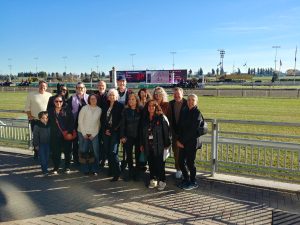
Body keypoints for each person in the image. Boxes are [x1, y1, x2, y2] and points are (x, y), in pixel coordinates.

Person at [140, 100, 171, 191]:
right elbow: (142, 132)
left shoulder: (161, 117)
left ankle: (162, 180)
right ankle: (153, 179)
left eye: (153, 106)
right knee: (151, 163)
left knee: (160, 164)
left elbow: (166, 132)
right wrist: (142, 144)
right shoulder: (145, 118)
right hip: (148, 145)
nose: (151, 108)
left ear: (156, 107)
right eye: (149, 106)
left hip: (159, 146)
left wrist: (167, 144)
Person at [177, 94, 203, 190]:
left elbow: (193, 130)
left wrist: (181, 141)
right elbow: (180, 126)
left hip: (192, 143)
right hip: (182, 142)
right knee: (180, 162)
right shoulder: (184, 110)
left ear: (196, 102)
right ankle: (186, 179)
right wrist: (178, 140)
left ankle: (193, 181)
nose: (190, 101)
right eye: (188, 100)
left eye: (193, 100)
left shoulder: (197, 113)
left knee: (190, 163)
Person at [25, 80, 52, 159]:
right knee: (36, 137)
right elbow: (27, 107)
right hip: (36, 120)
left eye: (44, 86)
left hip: (47, 121)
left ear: (46, 87)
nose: (42, 87)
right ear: (38, 86)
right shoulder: (31, 94)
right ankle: (36, 153)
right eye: (41, 85)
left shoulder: (49, 95)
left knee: (47, 137)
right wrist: (30, 116)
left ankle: (46, 153)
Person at [101, 89, 124, 181]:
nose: (111, 97)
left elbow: (121, 120)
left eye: (113, 95)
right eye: (110, 95)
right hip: (106, 131)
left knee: (113, 152)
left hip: (115, 132)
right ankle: (110, 169)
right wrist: (105, 130)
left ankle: (117, 172)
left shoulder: (120, 106)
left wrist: (113, 129)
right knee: (108, 151)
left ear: (116, 96)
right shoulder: (105, 105)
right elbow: (102, 119)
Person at [48, 95, 75, 174]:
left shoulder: (67, 110)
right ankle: (56, 167)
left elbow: (71, 122)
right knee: (56, 152)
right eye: (56, 101)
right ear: (53, 102)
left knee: (67, 152)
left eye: (60, 101)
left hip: (66, 135)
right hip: (55, 136)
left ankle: (67, 167)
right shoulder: (50, 111)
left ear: (63, 102)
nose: (58, 103)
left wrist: (69, 132)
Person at [78, 94, 102, 175]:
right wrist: (84, 134)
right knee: (84, 151)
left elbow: (98, 124)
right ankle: (85, 169)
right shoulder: (84, 108)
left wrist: (94, 134)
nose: (93, 100)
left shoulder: (99, 110)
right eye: (91, 99)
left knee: (95, 152)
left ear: (97, 100)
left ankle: (95, 169)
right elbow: (80, 121)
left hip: (94, 134)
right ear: (89, 100)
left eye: (94, 99)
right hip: (82, 133)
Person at [120, 93, 142, 181]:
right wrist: (122, 136)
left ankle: (137, 174)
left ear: (137, 100)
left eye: (133, 99)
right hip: (128, 137)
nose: (131, 101)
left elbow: (143, 125)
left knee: (138, 156)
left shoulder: (141, 110)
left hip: (138, 137)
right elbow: (123, 125)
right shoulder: (125, 111)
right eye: (129, 99)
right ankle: (130, 173)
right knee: (129, 156)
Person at [167, 87, 187, 179]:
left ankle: (186, 170)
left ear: (182, 94)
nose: (176, 96)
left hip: (185, 134)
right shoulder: (170, 104)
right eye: (175, 94)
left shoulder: (187, 103)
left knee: (186, 153)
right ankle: (178, 169)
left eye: (178, 94)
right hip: (175, 134)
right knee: (177, 153)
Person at [67, 82, 89, 165]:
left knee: (85, 143)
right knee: (75, 143)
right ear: (76, 89)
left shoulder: (89, 97)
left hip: (86, 125)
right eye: (78, 88)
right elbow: (68, 112)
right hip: (75, 124)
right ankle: (76, 159)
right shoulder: (72, 98)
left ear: (84, 89)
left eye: (82, 88)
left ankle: (85, 159)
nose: (80, 89)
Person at [95, 80, 108, 169]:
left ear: (105, 87)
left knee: (104, 143)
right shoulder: (94, 96)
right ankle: (98, 159)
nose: (101, 87)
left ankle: (104, 159)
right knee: (97, 142)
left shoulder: (108, 95)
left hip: (105, 123)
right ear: (97, 87)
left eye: (102, 85)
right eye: (99, 85)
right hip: (95, 123)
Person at [32, 111, 50, 176]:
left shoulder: (49, 124)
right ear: (40, 118)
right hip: (41, 144)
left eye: (46, 118)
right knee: (43, 158)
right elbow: (35, 136)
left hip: (48, 144)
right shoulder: (37, 125)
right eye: (43, 118)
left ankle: (45, 168)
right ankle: (45, 171)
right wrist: (36, 145)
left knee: (47, 158)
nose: (45, 119)